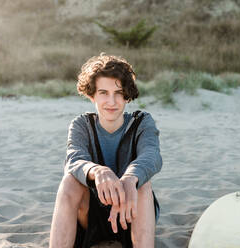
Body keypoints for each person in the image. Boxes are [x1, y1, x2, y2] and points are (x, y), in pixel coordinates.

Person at [49, 53, 162, 248]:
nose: (112, 101)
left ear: (127, 96)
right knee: (69, 181)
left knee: (143, 185)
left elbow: (152, 156)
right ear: (91, 95)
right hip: (90, 218)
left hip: (131, 216)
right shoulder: (81, 124)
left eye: (118, 93)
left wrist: (130, 178)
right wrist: (98, 171)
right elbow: (74, 159)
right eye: (103, 92)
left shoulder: (142, 122)